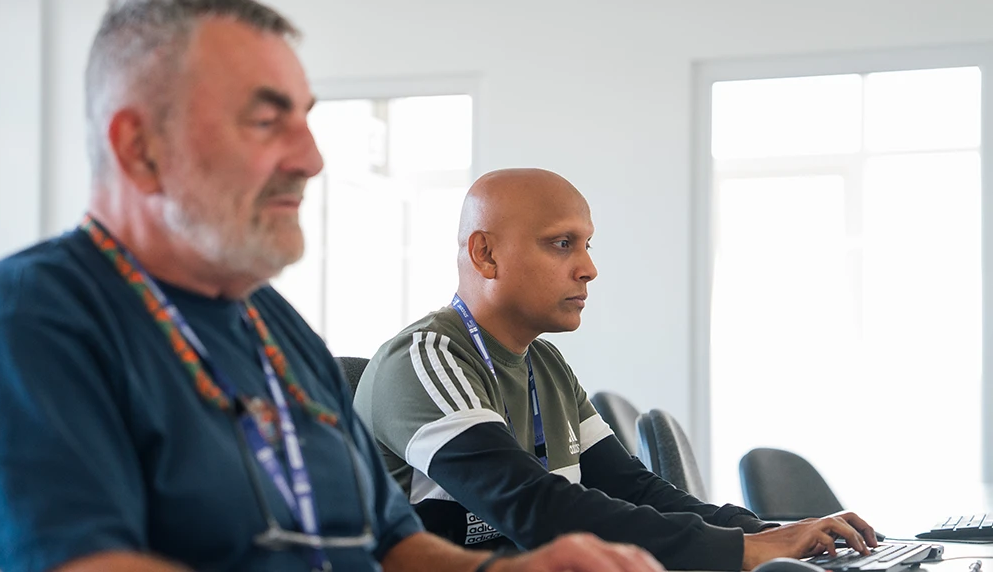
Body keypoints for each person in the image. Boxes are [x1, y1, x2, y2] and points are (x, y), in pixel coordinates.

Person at [0, 0, 667, 572]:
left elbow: (392, 545)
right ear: (139, 148)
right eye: (267, 121)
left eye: (306, 119)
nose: (311, 158)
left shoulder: (274, 325)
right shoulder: (35, 316)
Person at [353, 168, 881, 571]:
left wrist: (776, 532)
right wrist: (740, 549)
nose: (589, 268)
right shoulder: (426, 357)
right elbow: (535, 508)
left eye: (586, 245)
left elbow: (634, 489)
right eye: (562, 244)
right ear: (485, 254)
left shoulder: (545, 364)